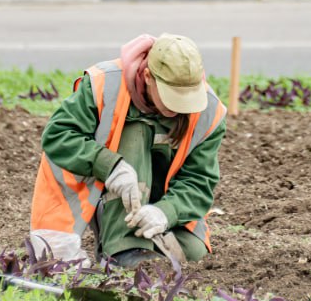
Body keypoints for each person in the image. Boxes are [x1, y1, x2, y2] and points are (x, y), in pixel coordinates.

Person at [29, 33, 227, 268]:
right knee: (135, 132)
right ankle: (122, 244)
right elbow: (58, 136)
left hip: (161, 202)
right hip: (110, 192)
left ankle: (147, 238)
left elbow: (198, 181)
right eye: (171, 97)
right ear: (147, 77)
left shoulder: (209, 110)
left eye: (186, 98)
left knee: (192, 253)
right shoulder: (105, 84)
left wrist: (165, 212)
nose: (179, 108)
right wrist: (110, 167)